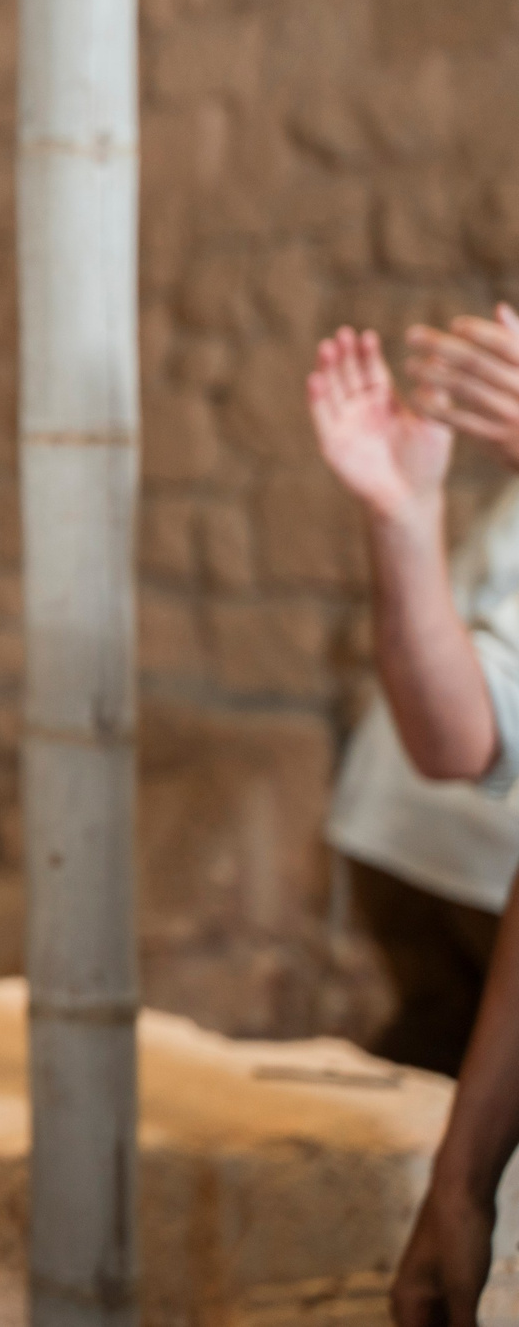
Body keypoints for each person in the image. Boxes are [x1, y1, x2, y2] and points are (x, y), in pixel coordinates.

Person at [310, 316, 519, 1073]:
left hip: (443, 834)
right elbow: (462, 735)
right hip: (435, 835)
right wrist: (404, 519)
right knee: (447, 1062)